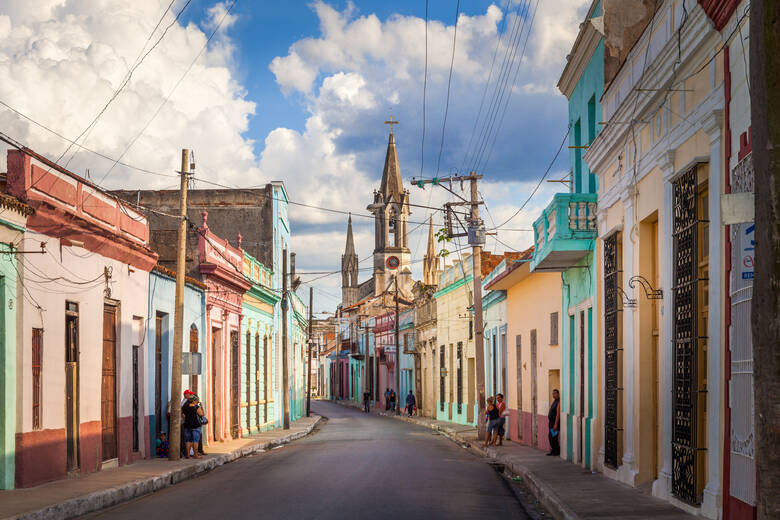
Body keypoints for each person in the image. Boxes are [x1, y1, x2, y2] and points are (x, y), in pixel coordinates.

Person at [181, 394, 205, 459]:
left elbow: (182, 414)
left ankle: (188, 454)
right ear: (194, 401)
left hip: (187, 425)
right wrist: (202, 407)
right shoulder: (197, 407)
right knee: (195, 440)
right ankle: (195, 455)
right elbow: (202, 414)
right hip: (196, 425)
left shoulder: (185, 407)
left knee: (188, 440)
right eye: (197, 400)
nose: (198, 401)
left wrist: (186, 418)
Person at [547, 389, 561, 456]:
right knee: (551, 437)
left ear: (558, 394)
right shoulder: (554, 401)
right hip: (551, 423)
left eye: (555, 393)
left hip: (555, 423)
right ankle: (554, 450)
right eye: (553, 393)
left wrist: (555, 424)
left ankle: (556, 451)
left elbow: (558, 414)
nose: (553, 395)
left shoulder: (558, 402)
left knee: (553, 437)